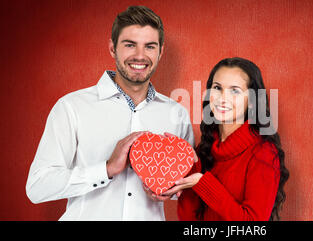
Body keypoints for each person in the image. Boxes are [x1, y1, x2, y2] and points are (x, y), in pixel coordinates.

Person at [25, 6, 194, 220]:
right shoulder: (71, 107)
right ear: (113, 48)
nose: (140, 56)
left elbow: (186, 186)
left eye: (150, 46)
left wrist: (170, 189)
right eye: (130, 45)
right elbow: (38, 187)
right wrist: (105, 169)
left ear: (160, 52)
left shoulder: (176, 112)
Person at [163, 57, 289, 220]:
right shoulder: (205, 149)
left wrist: (203, 183)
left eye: (235, 90)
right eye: (217, 88)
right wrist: (190, 167)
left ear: (251, 101)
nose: (222, 98)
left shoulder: (263, 153)